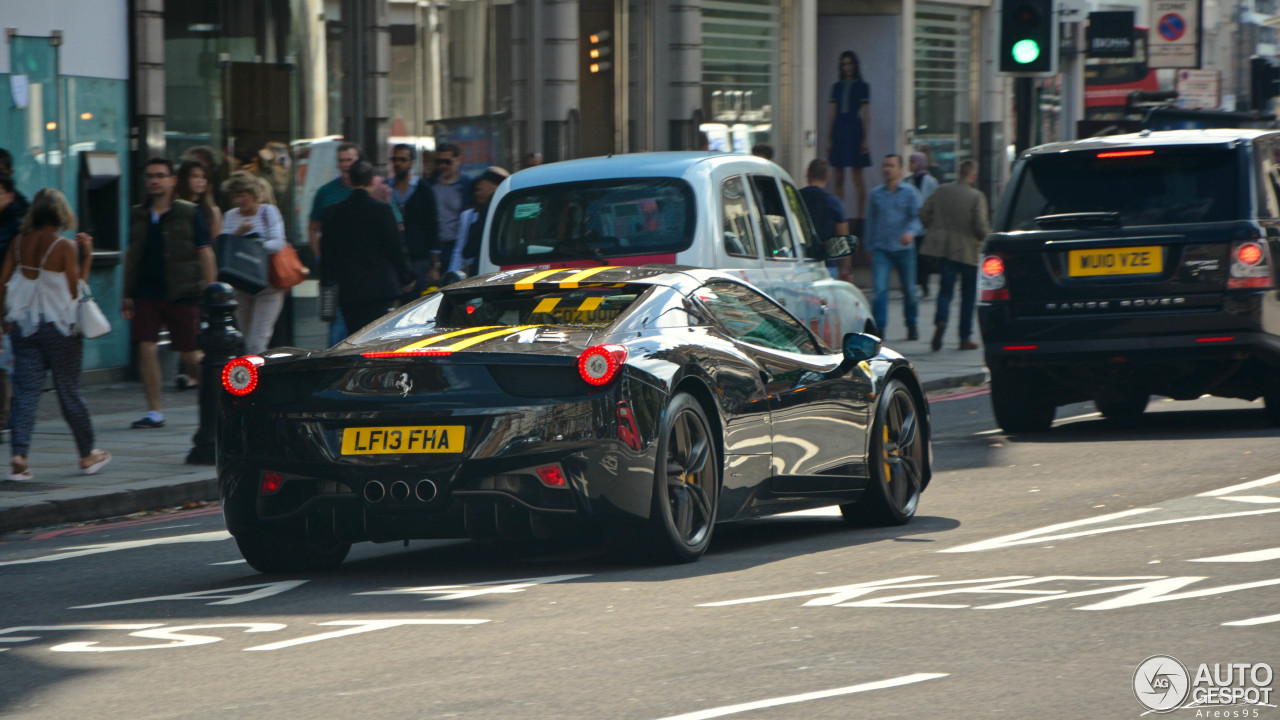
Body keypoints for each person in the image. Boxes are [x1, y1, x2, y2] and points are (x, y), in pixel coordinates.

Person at [0, 188, 110, 479]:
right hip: (61, 329)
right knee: (68, 390)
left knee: (25, 394)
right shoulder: (63, 246)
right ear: (61, 214)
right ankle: (87, 455)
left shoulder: (18, 242)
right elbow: (76, 291)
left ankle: (19, 456)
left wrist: (3, 321)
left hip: (24, 328)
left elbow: (2, 283)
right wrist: (87, 256)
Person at [123, 158, 216, 429]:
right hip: (146, 291)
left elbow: (205, 253)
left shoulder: (189, 212)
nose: (155, 180)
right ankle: (155, 412)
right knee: (146, 347)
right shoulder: (139, 213)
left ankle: (218, 401)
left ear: (172, 180)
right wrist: (127, 293)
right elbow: (132, 255)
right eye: (150, 176)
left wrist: (211, 290)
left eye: (160, 175)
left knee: (190, 353)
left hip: (182, 291)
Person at [320, 161, 414, 332]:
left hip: (348, 287)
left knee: (353, 332)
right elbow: (395, 247)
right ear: (372, 181)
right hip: (378, 287)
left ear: (350, 181)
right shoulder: (382, 210)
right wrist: (406, 275)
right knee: (374, 334)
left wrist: (327, 281)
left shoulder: (333, 212)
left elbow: (327, 252)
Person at [920, 159, 990, 352]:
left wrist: (934, 229)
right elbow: (979, 226)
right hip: (968, 251)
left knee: (945, 291)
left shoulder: (942, 190)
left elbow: (924, 212)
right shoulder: (976, 196)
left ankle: (941, 321)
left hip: (945, 250)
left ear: (958, 172)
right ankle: (964, 338)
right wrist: (988, 238)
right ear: (972, 175)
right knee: (968, 296)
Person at [223, 171, 288, 355]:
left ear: (254, 194)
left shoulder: (268, 212)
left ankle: (255, 381)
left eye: (243, 195)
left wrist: (250, 244)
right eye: (236, 195)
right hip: (241, 284)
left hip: (268, 284)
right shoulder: (230, 216)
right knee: (245, 339)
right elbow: (226, 248)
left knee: (257, 341)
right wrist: (238, 234)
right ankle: (250, 380)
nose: (240, 200)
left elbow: (278, 243)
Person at [865, 154, 922, 340]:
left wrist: (911, 233)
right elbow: (870, 222)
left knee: (910, 291)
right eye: (884, 165)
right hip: (882, 248)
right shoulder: (875, 194)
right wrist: (868, 246)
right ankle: (879, 328)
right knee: (880, 290)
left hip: (904, 249)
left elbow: (917, 217)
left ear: (900, 169)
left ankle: (912, 323)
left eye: (891, 165)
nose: (887, 169)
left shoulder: (910, 192)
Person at [828, 50, 872, 221]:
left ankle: (861, 216)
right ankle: (840, 215)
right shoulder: (836, 87)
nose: (847, 67)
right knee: (838, 176)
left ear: (855, 65)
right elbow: (832, 114)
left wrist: (866, 140)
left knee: (857, 176)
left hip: (855, 128)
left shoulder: (863, 86)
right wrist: (829, 139)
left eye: (850, 63)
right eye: (844, 64)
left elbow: (866, 115)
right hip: (839, 128)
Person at [798, 159, 853, 283]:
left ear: (807, 173)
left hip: (800, 263)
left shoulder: (796, 198)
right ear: (828, 177)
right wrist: (846, 269)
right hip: (827, 265)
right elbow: (843, 238)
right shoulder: (834, 202)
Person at [396, 146, 441, 294]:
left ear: (411, 162)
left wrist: (434, 265)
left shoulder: (423, 189)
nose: (398, 163)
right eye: (395, 159)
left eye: (403, 159)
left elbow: (432, 224)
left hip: (420, 258)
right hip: (396, 259)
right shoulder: (388, 189)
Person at [450, 166, 510, 275]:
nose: (476, 194)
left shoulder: (488, 209)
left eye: (478, 189)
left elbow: (469, 249)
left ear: (493, 186)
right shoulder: (514, 205)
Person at [426, 142, 472, 274]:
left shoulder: (467, 185)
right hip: (433, 246)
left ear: (458, 160)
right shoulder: (430, 185)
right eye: (439, 162)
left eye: (447, 162)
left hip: (457, 245)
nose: (442, 166)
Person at [906, 152, 939, 297]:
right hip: (911, 227)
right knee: (912, 257)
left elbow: (936, 202)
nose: (910, 164)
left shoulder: (931, 181)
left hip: (926, 227)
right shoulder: (907, 182)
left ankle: (925, 285)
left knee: (925, 258)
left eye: (913, 161)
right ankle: (913, 284)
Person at [176, 160, 223, 239]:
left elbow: (216, 243)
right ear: (185, 179)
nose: (201, 181)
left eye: (204, 177)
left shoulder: (213, 212)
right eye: (195, 176)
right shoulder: (176, 208)